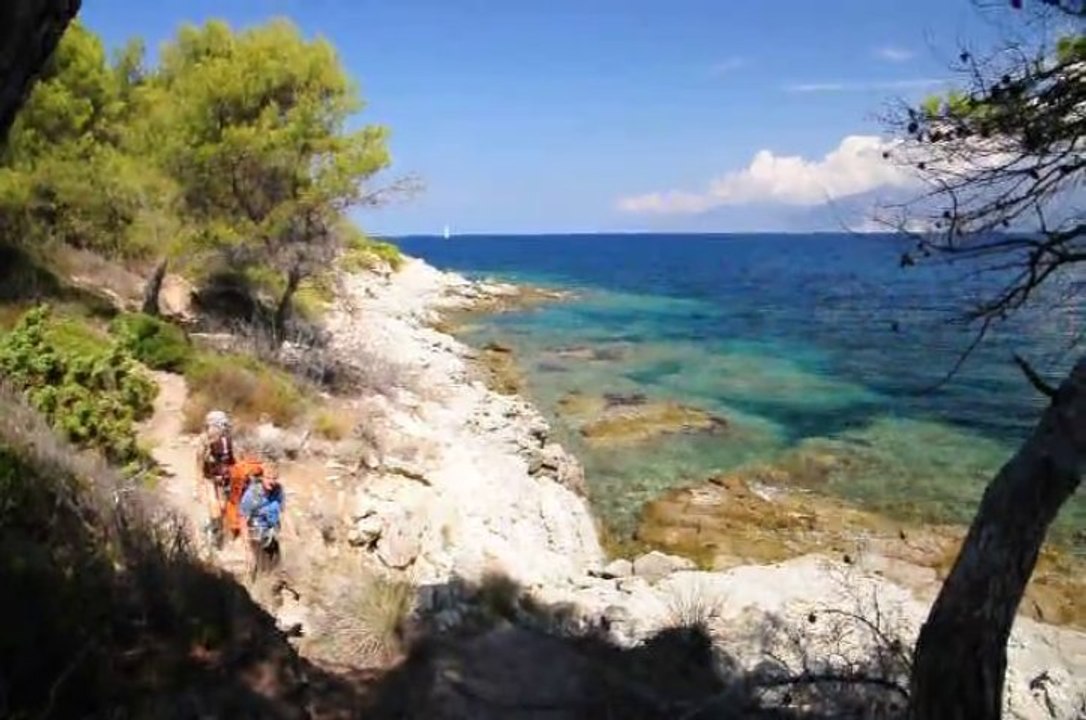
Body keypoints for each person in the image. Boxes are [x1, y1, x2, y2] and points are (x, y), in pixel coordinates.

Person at [196, 409, 235, 547]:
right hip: (209, 477)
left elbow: (231, 460)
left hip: (223, 477)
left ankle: (217, 529)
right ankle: (214, 532)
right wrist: (199, 483)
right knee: (215, 506)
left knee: (223, 506)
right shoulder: (203, 440)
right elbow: (199, 462)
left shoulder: (227, 440)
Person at [239, 463, 286, 578]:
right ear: (262, 478)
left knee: (277, 567)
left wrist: (290, 532)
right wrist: (247, 547)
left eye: (274, 478)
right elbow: (242, 519)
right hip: (256, 534)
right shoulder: (252, 494)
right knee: (262, 569)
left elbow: (282, 511)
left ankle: (275, 589)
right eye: (268, 478)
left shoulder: (278, 491)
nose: (271, 481)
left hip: (271, 533)